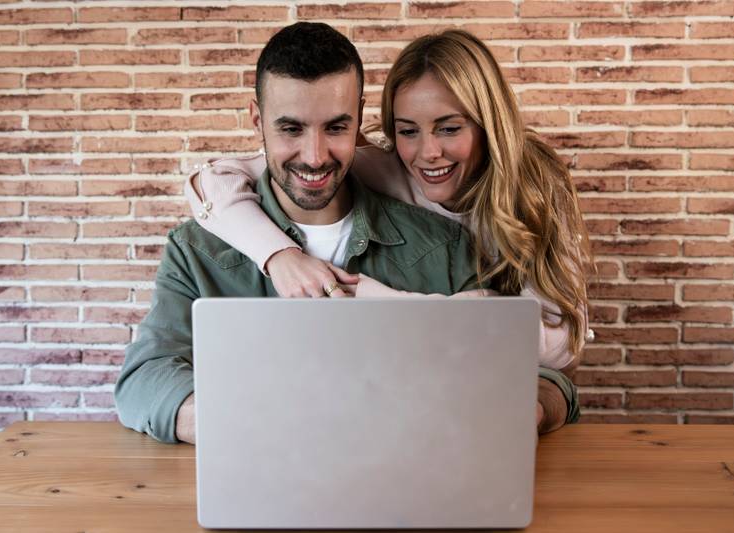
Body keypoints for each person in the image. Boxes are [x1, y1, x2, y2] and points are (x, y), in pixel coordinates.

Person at [185, 28, 592, 433]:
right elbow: (213, 182)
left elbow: (560, 347)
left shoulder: (534, 188)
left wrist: (374, 298)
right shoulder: (385, 166)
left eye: (450, 128)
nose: (428, 153)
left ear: (487, 123)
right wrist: (280, 256)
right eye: (408, 130)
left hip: (500, 386)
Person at [116, 22, 497, 444]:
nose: (315, 158)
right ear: (257, 120)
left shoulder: (443, 245)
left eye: (336, 127)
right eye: (291, 129)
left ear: (359, 119)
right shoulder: (195, 251)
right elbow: (143, 381)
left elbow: (520, 373)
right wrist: (259, 427)